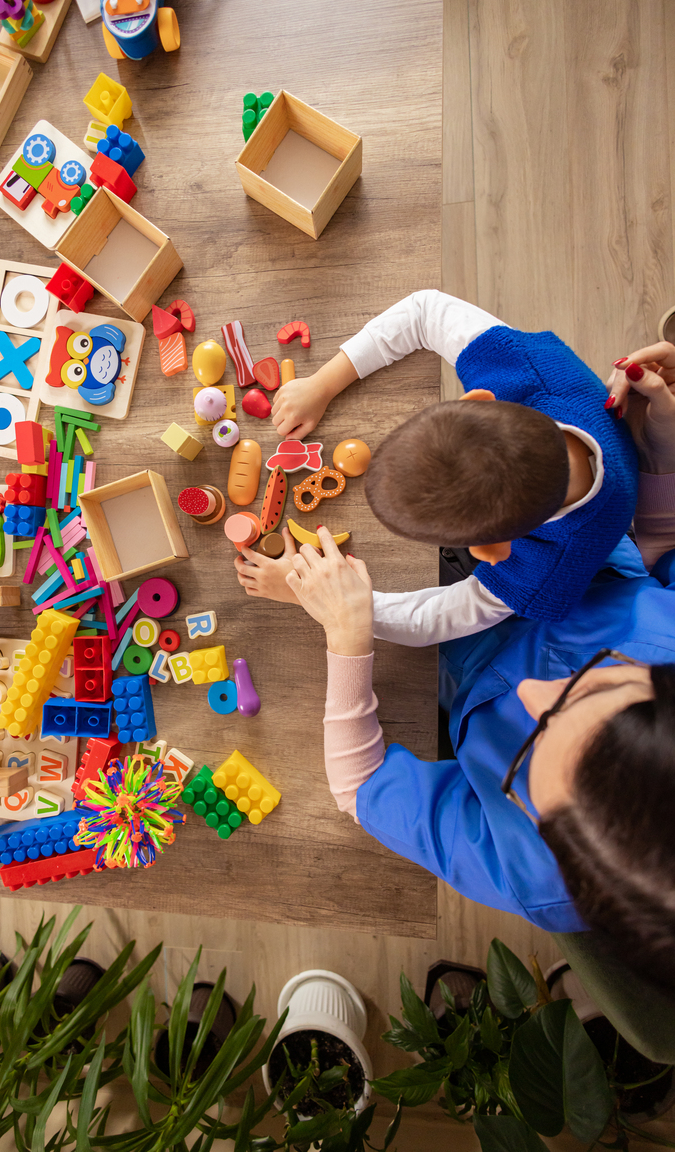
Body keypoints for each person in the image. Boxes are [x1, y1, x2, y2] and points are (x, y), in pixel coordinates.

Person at [282, 341, 675, 1061]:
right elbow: (663, 548)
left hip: (459, 651)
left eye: (529, 758)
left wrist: (347, 633)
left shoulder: (528, 871)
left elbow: (359, 786)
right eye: (604, 677)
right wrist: (664, 447)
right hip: (583, 562)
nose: (530, 692)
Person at [236, 291, 638, 638]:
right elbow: (424, 311)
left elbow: (434, 620)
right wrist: (322, 385)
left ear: (492, 550)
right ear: (478, 400)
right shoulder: (527, 368)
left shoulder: (551, 569)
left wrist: (313, 596)